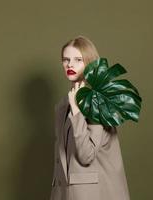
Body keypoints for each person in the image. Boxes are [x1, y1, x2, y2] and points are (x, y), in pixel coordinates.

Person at [50, 35, 131, 200]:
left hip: (91, 194)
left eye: (78, 59)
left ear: (90, 63)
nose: (70, 64)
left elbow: (86, 155)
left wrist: (77, 111)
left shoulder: (97, 101)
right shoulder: (64, 105)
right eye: (66, 59)